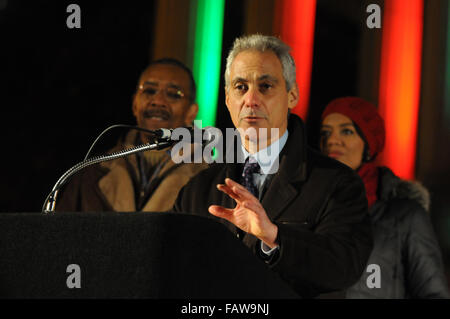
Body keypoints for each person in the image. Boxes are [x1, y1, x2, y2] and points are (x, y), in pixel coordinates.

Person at [172, 34, 373, 298]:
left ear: (292, 96)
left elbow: (344, 266)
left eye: (265, 86)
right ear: (228, 98)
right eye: (240, 87)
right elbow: (172, 266)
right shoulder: (198, 188)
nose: (251, 100)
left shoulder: (337, 183)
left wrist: (275, 238)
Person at [319, 96, 450, 298]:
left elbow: (432, 291)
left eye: (347, 131)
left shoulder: (405, 216)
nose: (332, 141)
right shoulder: (311, 206)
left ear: (369, 145)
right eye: (326, 133)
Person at [56, 58, 208, 212]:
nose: (158, 101)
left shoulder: (209, 178)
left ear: (191, 112)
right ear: (135, 104)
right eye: (149, 90)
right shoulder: (91, 172)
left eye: (173, 94)